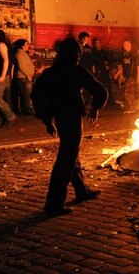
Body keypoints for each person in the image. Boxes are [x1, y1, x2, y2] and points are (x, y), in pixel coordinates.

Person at [31, 37, 107, 217]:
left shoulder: (50, 73)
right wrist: (95, 108)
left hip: (59, 118)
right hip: (71, 118)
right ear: (76, 54)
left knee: (71, 153)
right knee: (66, 159)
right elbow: (101, 91)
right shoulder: (76, 71)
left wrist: (47, 120)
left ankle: (81, 190)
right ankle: (54, 203)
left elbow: (37, 96)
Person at [13, 39, 35, 115]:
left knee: (26, 94)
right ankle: (27, 110)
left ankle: (26, 110)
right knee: (26, 94)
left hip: (25, 77)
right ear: (22, 46)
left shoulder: (23, 53)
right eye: (27, 44)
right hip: (23, 77)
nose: (28, 46)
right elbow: (21, 66)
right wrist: (27, 75)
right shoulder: (20, 54)